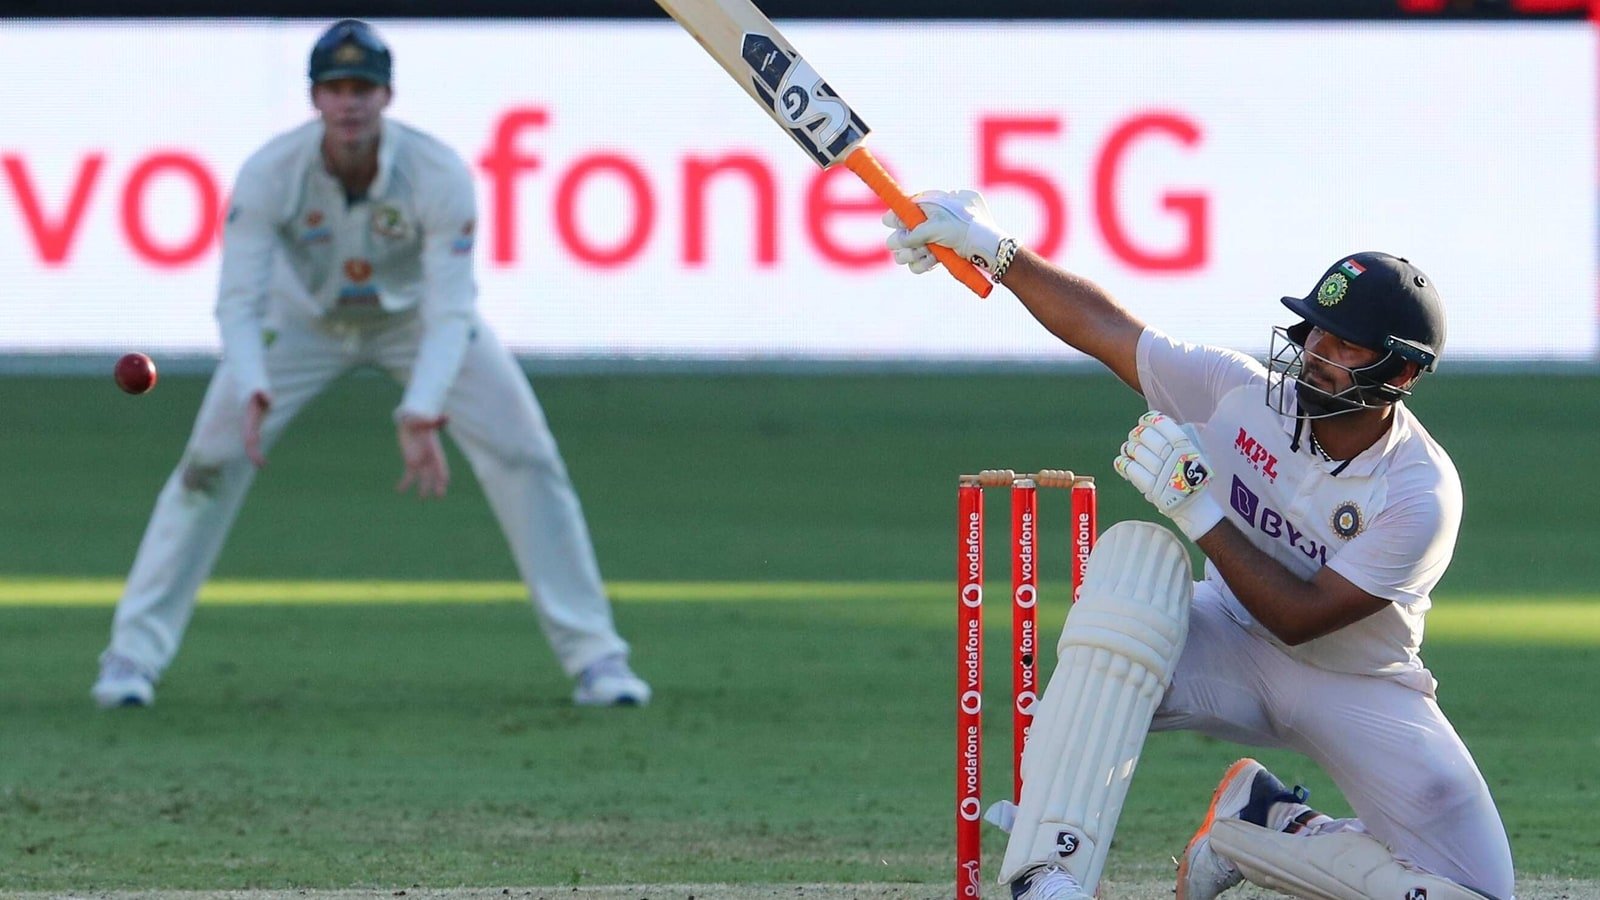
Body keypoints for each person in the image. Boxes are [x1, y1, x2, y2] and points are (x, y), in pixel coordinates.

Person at [883, 192, 1513, 900]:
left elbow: (1303, 616)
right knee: (1128, 591)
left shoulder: (1419, 493)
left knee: (1480, 893)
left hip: (1356, 683)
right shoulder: (1234, 392)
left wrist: (1199, 509)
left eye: (1343, 346)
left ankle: (1267, 825)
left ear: (1400, 374)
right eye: (1315, 333)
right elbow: (1108, 330)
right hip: (1222, 639)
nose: (1315, 356)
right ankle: (1046, 870)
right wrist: (995, 252)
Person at [91, 19, 650, 711]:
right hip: (297, 325)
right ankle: (130, 658)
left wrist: (422, 405)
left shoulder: (437, 173)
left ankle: (597, 658)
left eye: (362, 87)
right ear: (315, 98)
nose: (349, 102)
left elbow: (451, 310)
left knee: (527, 455)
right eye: (335, 88)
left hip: (416, 323)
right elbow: (238, 302)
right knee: (205, 467)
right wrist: (254, 384)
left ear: (386, 96)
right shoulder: (270, 173)